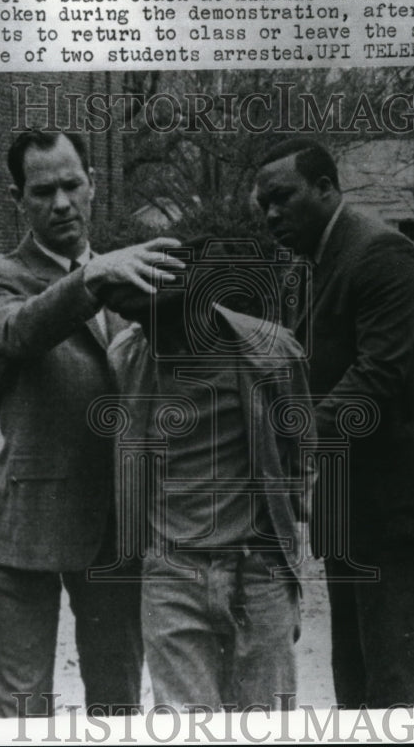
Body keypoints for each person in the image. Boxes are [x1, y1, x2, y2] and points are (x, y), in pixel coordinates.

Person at [253, 139, 414, 708]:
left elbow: (376, 380)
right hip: (348, 503)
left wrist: (281, 437)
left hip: (398, 506)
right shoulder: (310, 265)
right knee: (355, 683)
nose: (272, 213)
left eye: (283, 197)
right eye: (264, 205)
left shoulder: (382, 254)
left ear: (327, 187)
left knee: (399, 689)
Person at [0, 130, 182, 717]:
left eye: (71, 185)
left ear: (93, 183)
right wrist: (90, 280)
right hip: (28, 522)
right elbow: (18, 332)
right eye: (42, 191)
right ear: (18, 198)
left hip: (116, 523)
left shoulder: (130, 274)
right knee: (22, 708)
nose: (60, 203)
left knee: (117, 703)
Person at [98, 238, 313, 712]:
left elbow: (301, 454)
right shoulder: (128, 359)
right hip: (171, 579)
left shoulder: (272, 354)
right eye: (150, 325)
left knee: (267, 726)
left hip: (259, 573)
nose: (164, 339)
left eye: (174, 322)